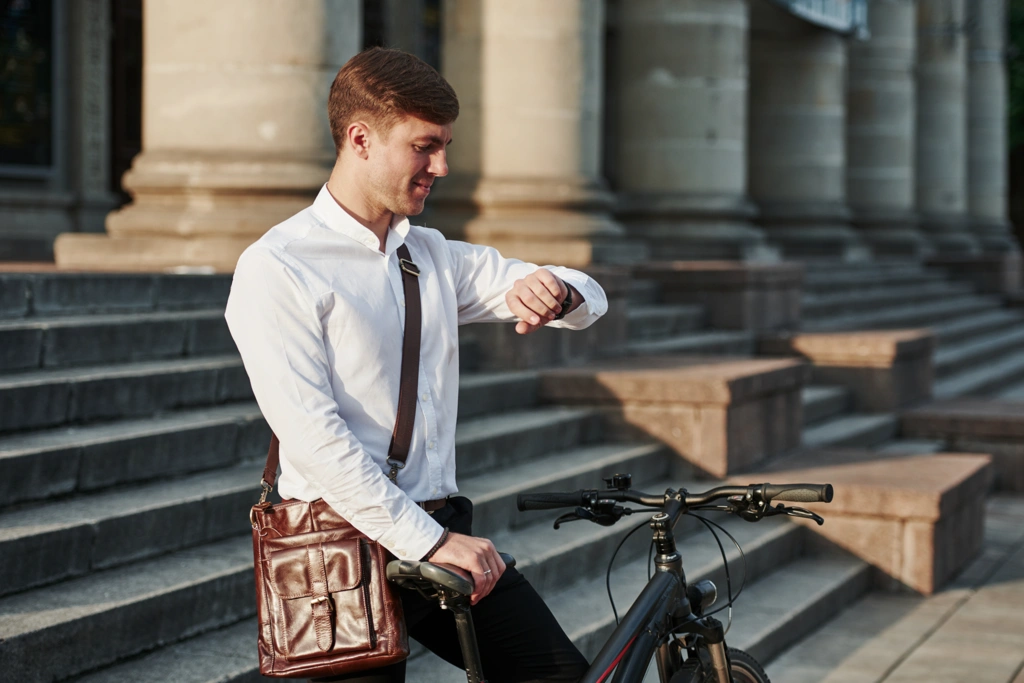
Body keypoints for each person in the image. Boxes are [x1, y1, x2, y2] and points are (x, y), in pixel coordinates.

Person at [225, 47, 605, 683]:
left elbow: (585, 294)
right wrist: (430, 542)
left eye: (446, 147)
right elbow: (315, 440)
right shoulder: (278, 266)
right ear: (360, 139)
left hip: (439, 525)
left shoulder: (429, 254)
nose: (442, 167)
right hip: (338, 546)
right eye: (424, 147)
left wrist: (557, 291)